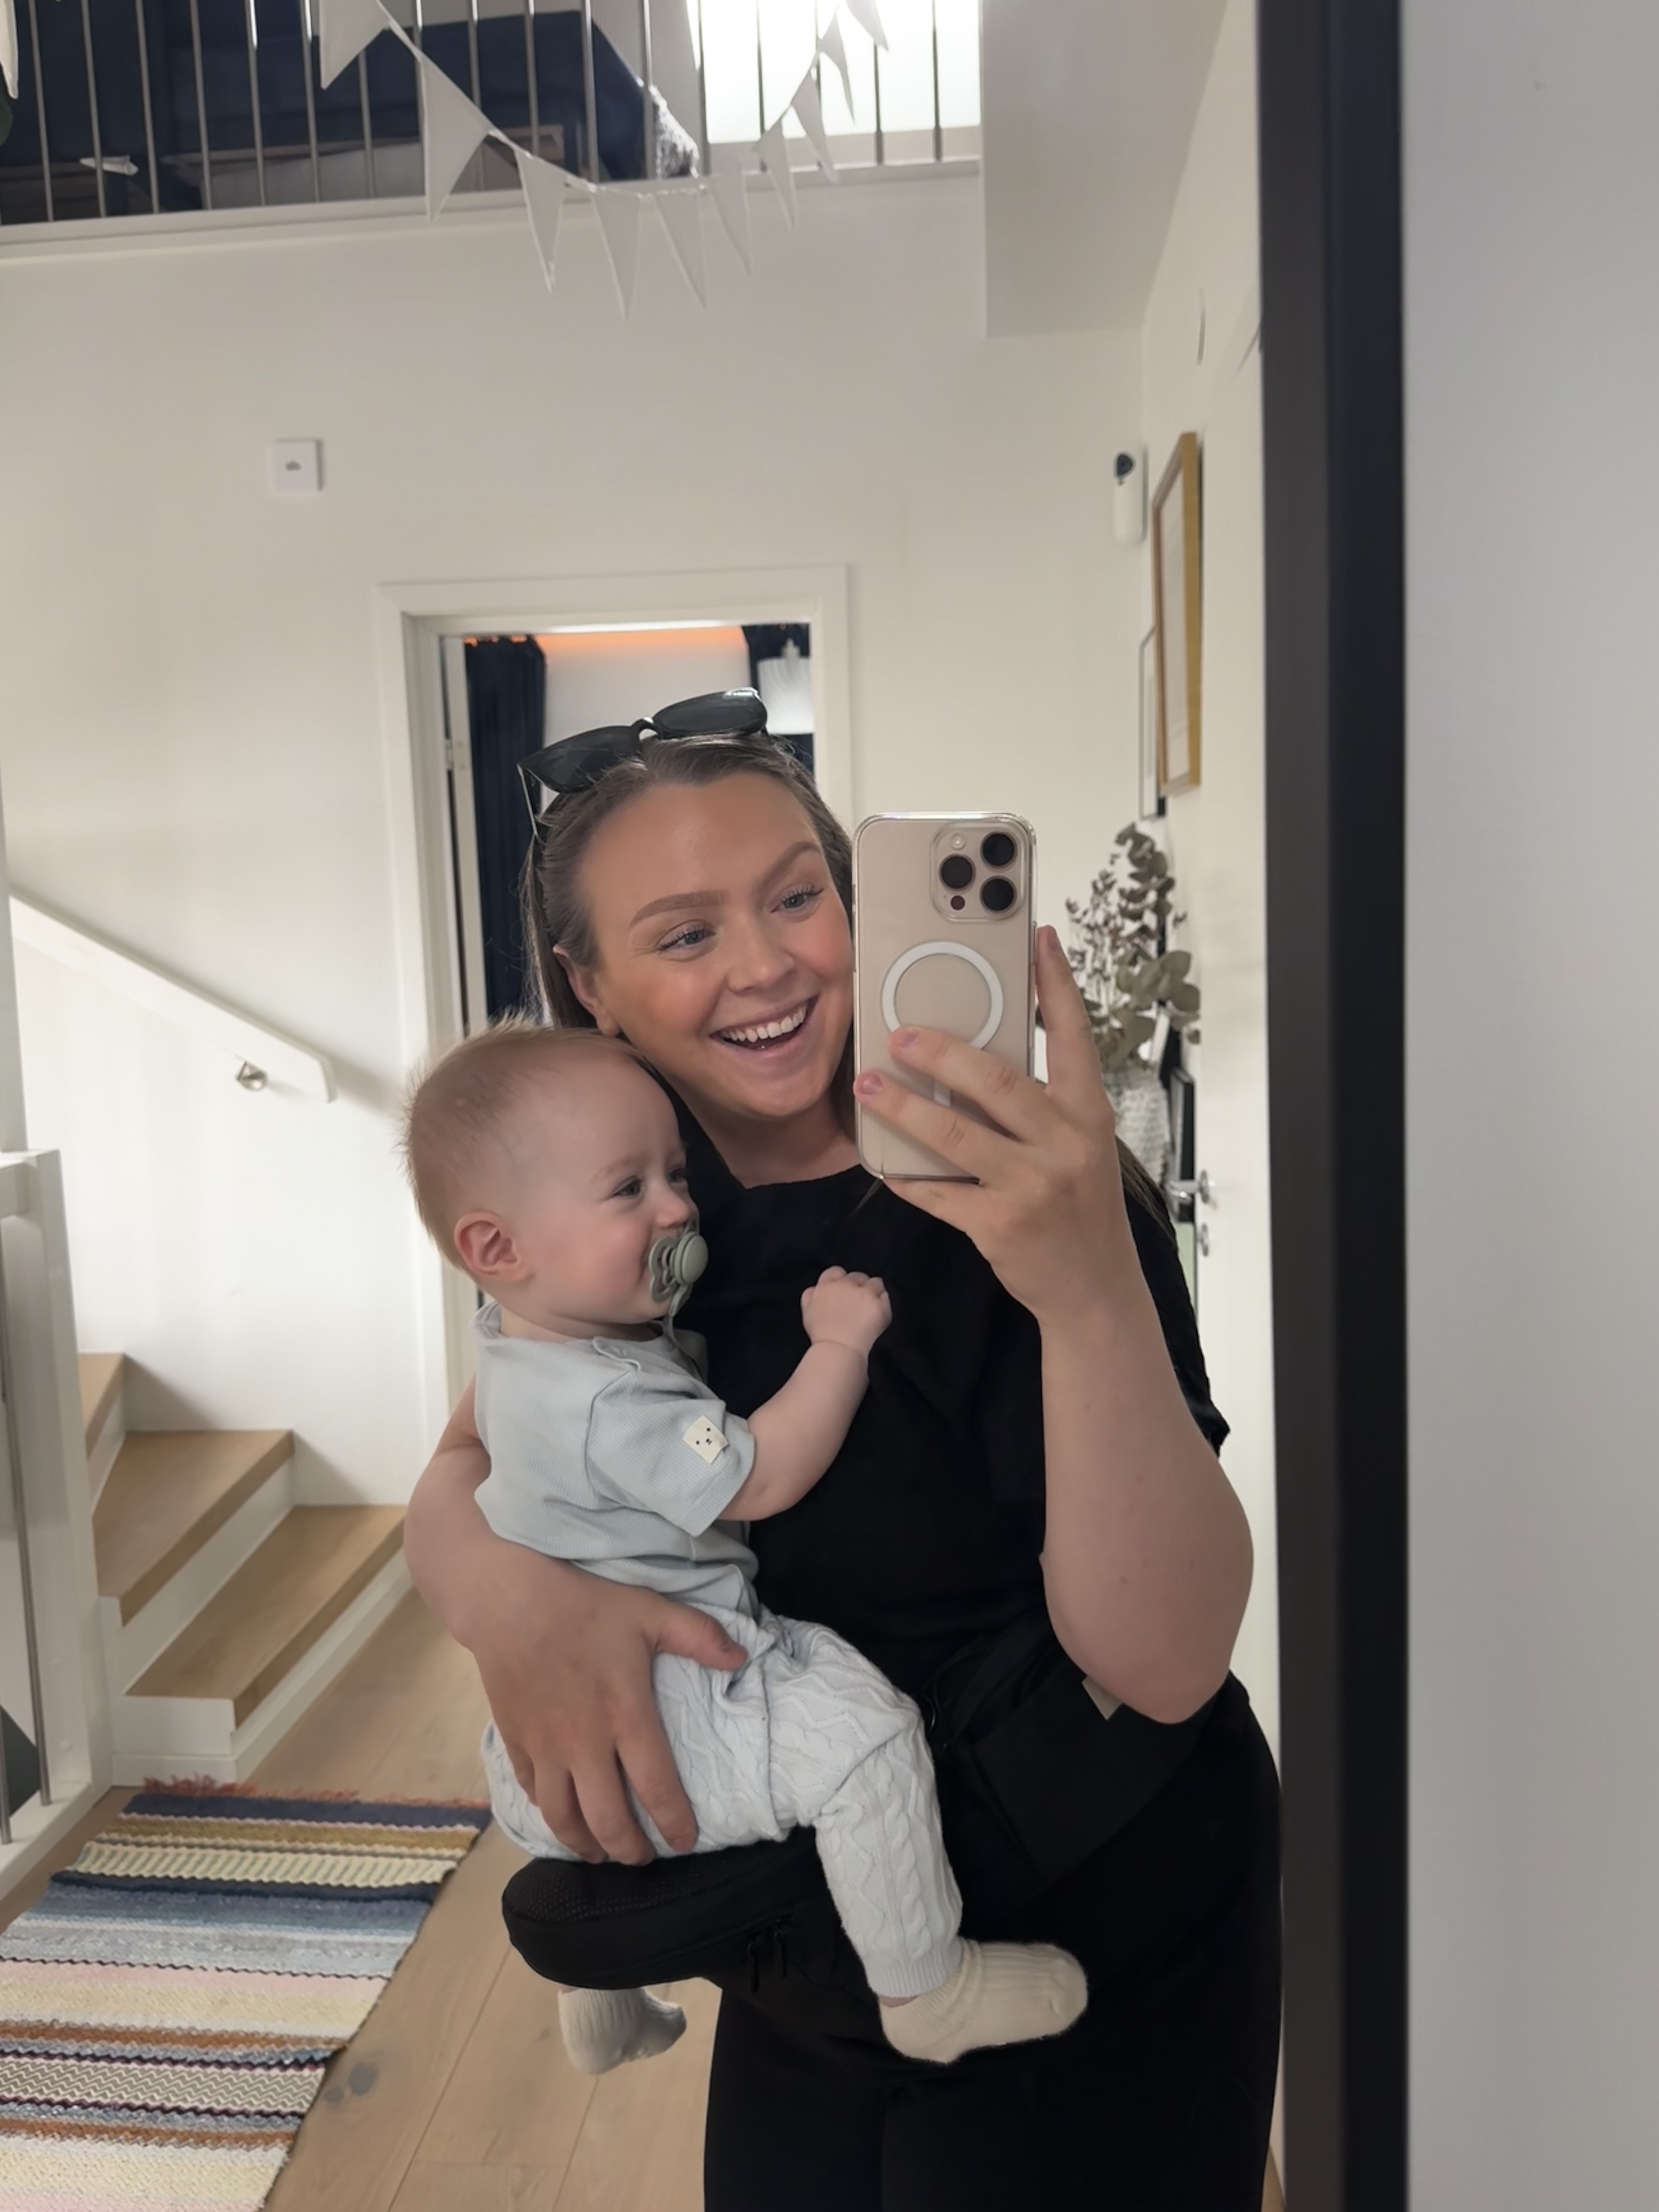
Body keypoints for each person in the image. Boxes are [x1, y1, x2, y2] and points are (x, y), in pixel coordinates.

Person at [405, 696, 1281, 2208]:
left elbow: (1168, 1662)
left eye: (797, 897)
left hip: (1098, 1923)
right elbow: (469, 1459)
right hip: (816, 1940)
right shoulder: (631, 1219)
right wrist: (506, 1600)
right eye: (686, 933)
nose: (765, 964)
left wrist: (1083, 1279)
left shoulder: (1028, 1192)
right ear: (589, 985)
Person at [399, 1020, 1088, 2072]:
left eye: (675, 1175)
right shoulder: (611, 1404)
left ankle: (602, 2002)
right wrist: (839, 1347)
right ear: (498, 1250)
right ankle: (925, 1988)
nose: (678, 1208)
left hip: (550, 1750)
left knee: (623, 1839)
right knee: (867, 1738)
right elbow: (759, 1475)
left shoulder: (516, 1345)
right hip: (675, 1709)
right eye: (627, 1189)